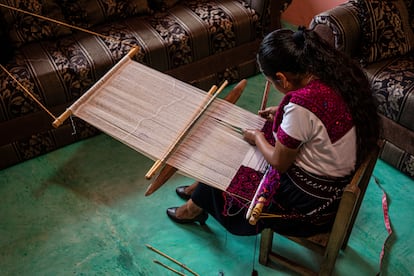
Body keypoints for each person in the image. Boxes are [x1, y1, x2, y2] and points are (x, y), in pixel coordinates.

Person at [166, 27, 380, 237]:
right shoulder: (330, 75)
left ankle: (193, 208)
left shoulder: (301, 106)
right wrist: (282, 110)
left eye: (271, 82)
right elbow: (321, 116)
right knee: (240, 147)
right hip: (331, 188)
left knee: (227, 159)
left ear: (283, 78)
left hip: (308, 207)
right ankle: (198, 191)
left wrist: (257, 137)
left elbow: (279, 162)